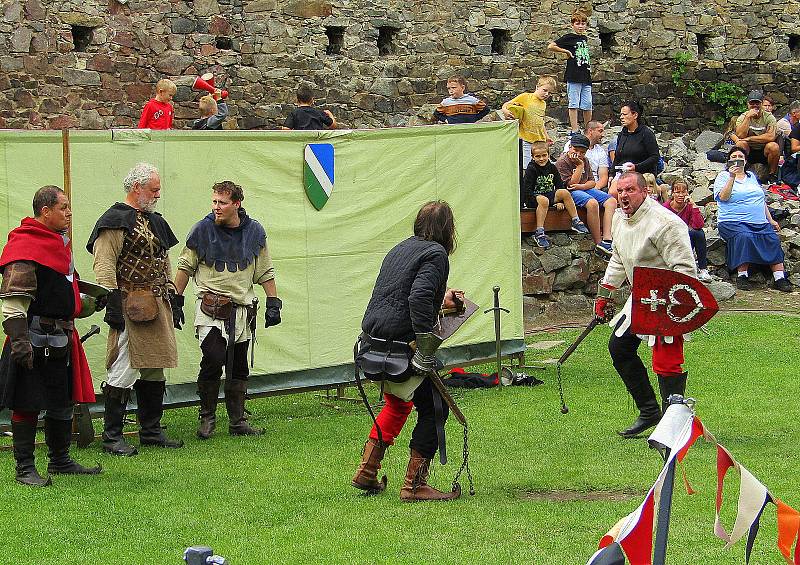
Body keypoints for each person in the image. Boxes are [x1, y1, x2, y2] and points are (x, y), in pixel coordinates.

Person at [351, 201, 462, 502]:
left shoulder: (400, 248)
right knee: (434, 406)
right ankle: (414, 486)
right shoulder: (436, 253)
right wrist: (425, 348)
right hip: (399, 350)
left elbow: (403, 297)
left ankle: (367, 471)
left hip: (373, 344)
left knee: (399, 404)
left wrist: (444, 302)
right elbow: (418, 297)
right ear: (446, 229)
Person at [0, 186, 102, 486]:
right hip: (31, 338)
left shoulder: (60, 245)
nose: (69, 213)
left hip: (61, 337)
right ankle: (24, 469)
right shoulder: (25, 247)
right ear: (45, 211)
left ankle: (59, 460)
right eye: (64, 207)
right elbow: (13, 302)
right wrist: (20, 343)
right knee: (27, 403)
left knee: (61, 401)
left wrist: (90, 303)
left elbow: (61, 296)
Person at [87, 163, 184, 456]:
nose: (158, 194)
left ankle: (151, 432)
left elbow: (163, 259)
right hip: (131, 305)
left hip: (157, 303)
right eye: (153, 189)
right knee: (124, 365)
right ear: (136, 188)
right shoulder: (115, 220)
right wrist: (113, 302)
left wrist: (172, 294)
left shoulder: (153, 220)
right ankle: (112, 437)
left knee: (155, 365)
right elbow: (104, 264)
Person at [173, 181, 282, 439]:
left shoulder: (254, 231)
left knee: (238, 366)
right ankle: (207, 418)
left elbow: (265, 270)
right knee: (213, 358)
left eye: (222, 202)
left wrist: (273, 302)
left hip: (242, 310)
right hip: (211, 309)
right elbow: (185, 267)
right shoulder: (202, 229)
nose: (216, 207)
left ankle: (237, 421)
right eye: (214, 202)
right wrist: (175, 299)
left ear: (236, 204)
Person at [595, 172, 698, 438]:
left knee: (667, 363)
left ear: (645, 192)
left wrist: (675, 307)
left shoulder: (666, 223)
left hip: (669, 301)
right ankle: (650, 411)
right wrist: (604, 293)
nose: (624, 196)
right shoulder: (619, 218)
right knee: (620, 348)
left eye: (630, 190)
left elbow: (685, 270)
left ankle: (672, 427)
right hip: (641, 297)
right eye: (620, 191)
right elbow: (619, 256)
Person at [712, 147, 792, 292]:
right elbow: (723, 197)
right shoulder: (723, 176)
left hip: (758, 221)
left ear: (745, 160)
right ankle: (742, 275)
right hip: (732, 222)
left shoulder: (751, 176)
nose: (737, 159)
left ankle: (779, 277)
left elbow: (760, 200)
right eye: (734, 156)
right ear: (729, 160)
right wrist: (732, 177)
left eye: (740, 156)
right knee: (745, 236)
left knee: (771, 238)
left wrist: (771, 220)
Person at [555, 134, 617, 256]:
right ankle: (598, 241)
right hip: (570, 193)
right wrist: (579, 166)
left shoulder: (585, 160)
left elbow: (592, 182)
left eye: (582, 152)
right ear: (570, 147)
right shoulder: (562, 162)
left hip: (583, 188)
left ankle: (607, 238)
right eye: (575, 150)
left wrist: (582, 186)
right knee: (592, 203)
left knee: (611, 201)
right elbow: (571, 185)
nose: (578, 154)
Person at [522, 141, 590, 249]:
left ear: (548, 155)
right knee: (544, 201)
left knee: (564, 192)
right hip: (533, 197)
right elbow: (527, 190)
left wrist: (559, 201)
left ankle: (575, 220)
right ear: (532, 157)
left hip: (548, 195)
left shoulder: (552, 168)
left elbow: (559, 185)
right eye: (537, 156)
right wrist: (537, 199)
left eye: (544, 155)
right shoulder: (531, 169)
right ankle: (539, 232)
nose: (541, 159)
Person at [548, 9, 593, 134]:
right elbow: (551, 46)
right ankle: (574, 129)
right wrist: (566, 52)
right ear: (573, 25)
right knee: (574, 103)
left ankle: (588, 128)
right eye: (577, 23)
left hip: (586, 76)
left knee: (587, 103)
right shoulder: (569, 37)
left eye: (583, 23)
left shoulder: (584, 38)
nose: (580, 26)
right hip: (574, 75)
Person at [501, 76, 557, 171]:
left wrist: (546, 137)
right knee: (526, 167)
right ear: (537, 87)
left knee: (542, 165)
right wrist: (505, 110)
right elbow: (507, 104)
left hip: (540, 140)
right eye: (544, 90)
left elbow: (541, 122)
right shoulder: (526, 97)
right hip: (526, 139)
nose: (547, 94)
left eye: (550, 92)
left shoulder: (543, 104)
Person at [664, 178, 712, 282]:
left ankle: (703, 269)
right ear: (672, 193)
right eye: (677, 192)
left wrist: (694, 206)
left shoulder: (689, 206)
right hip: (670, 241)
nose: (681, 195)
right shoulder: (666, 207)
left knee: (699, 233)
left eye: (683, 192)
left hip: (686, 239)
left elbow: (698, 225)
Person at [609, 101, 660, 198]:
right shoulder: (622, 134)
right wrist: (611, 174)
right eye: (621, 115)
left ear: (635, 115)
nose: (621, 117)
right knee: (613, 193)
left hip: (641, 173)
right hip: (622, 173)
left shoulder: (646, 134)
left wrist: (636, 167)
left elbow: (655, 157)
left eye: (624, 114)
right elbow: (617, 157)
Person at [732, 90, 780, 182]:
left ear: (761, 104)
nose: (755, 106)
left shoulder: (769, 117)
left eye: (757, 103)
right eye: (752, 103)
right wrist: (747, 118)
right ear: (748, 104)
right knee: (740, 145)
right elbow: (740, 135)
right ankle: (740, 173)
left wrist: (750, 138)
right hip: (748, 151)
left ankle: (772, 174)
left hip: (764, 151)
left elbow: (770, 137)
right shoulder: (743, 117)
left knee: (774, 146)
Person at [561, 121, 610, 191]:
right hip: (575, 185)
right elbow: (567, 165)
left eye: (582, 152)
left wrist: (594, 189)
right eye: (600, 131)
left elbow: (603, 177)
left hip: (592, 186)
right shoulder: (573, 144)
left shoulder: (600, 151)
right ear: (590, 131)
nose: (603, 135)